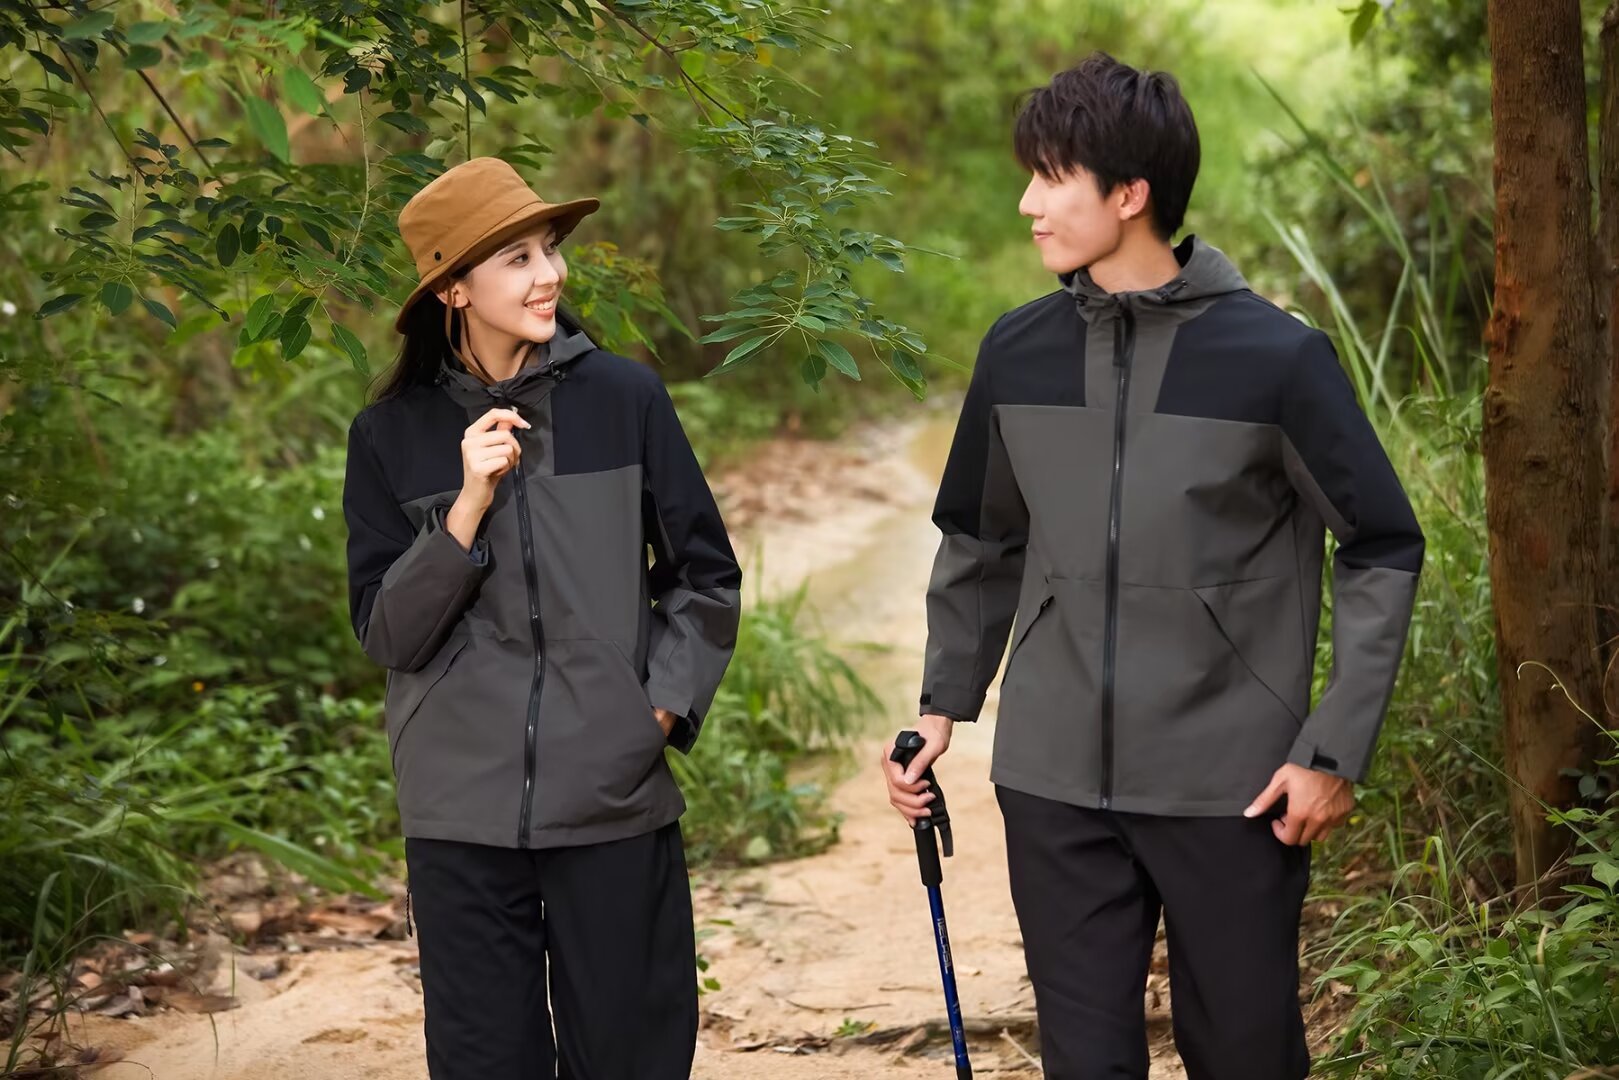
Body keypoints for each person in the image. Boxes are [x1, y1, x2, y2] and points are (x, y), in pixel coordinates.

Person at [881, 53, 1424, 1080]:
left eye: (1051, 178)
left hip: (1234, 787)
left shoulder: (1275, 359)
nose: (1026, 203)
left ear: (1128, 194)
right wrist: (942, 705)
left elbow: (1381, 543)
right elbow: (980, 536)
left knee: (1244, 1055)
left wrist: (1331, 749)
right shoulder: (1017, 351)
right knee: (1083, 1062)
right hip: (1051, 782)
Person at [342, 156, 742, 1079]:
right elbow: (387, 634)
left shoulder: (625, 400)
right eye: (516, 258)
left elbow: (704, 577)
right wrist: (465, 509)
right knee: (486, 1061)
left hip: (611, 793)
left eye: (549, 249)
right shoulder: (390, 436)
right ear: (452, 288)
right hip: (459, 810)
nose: (549, 274)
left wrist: (654, 712)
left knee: (633, 1055)